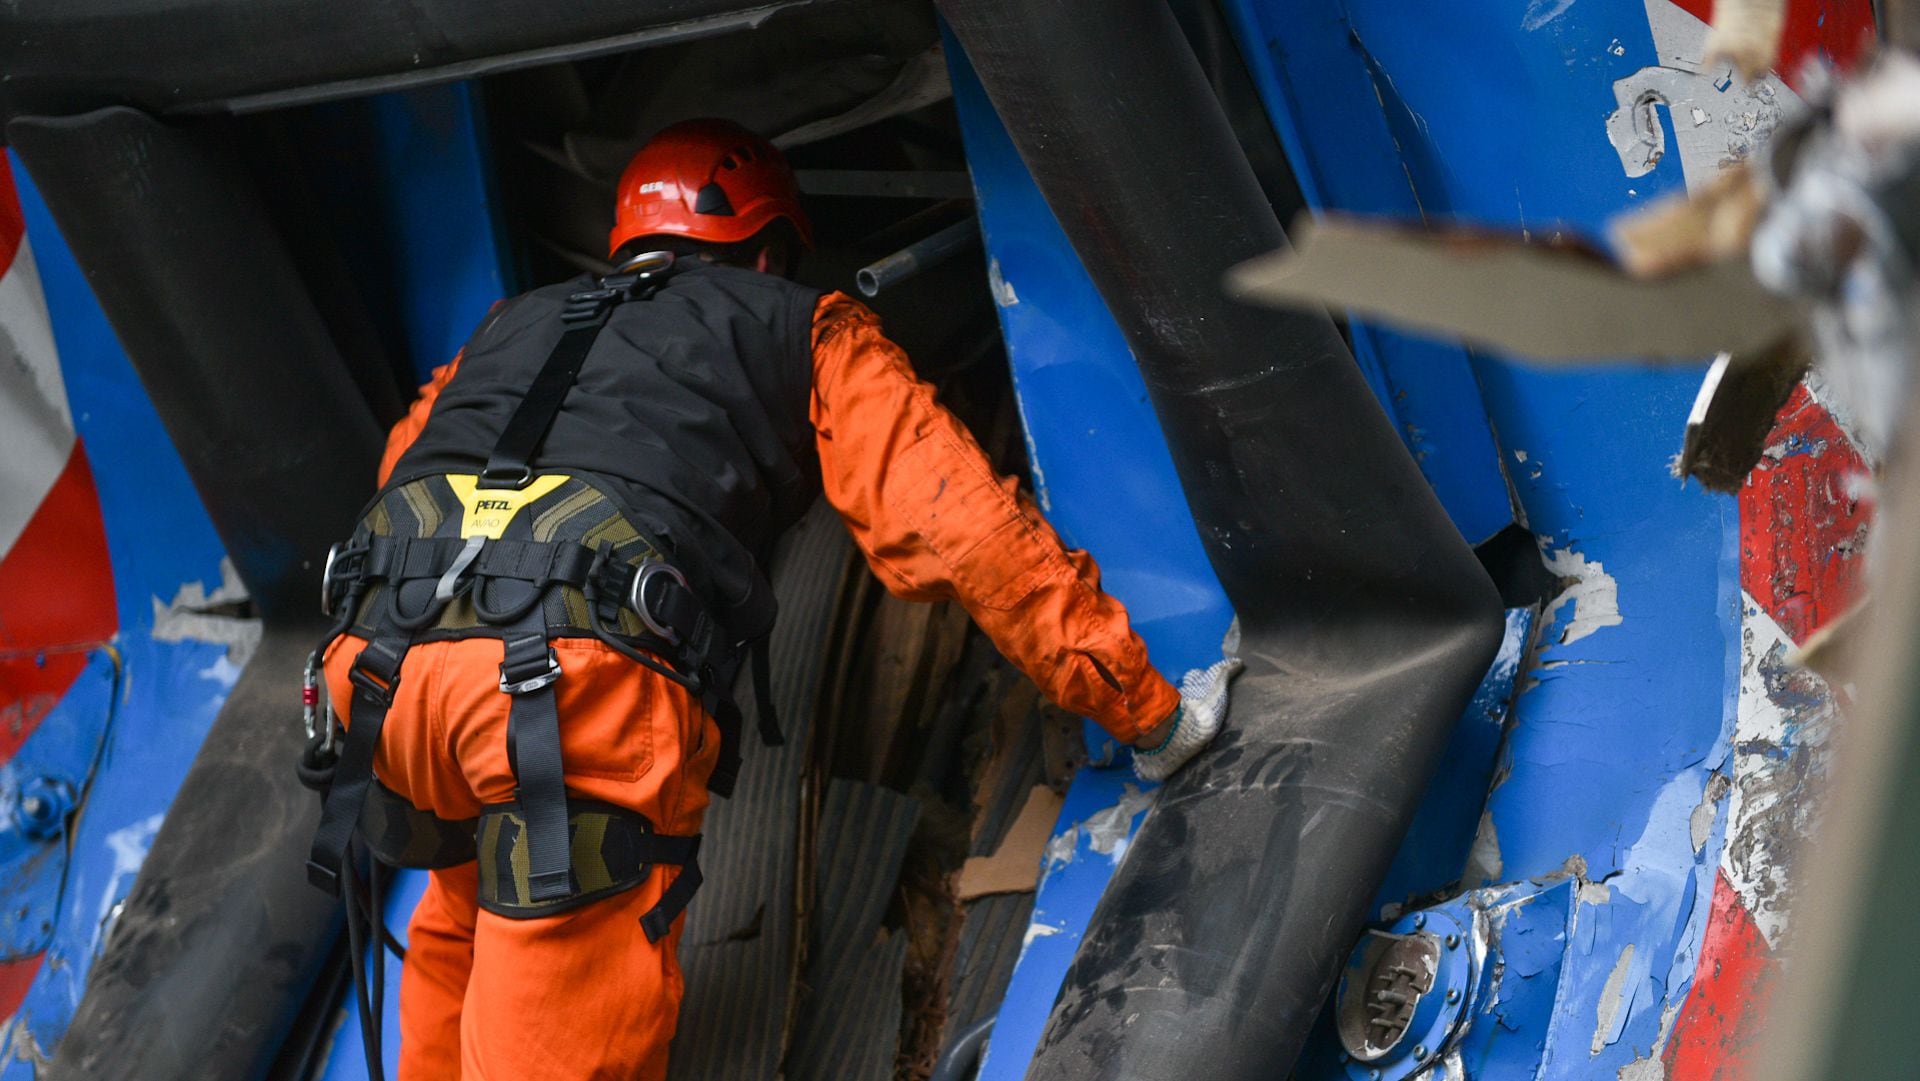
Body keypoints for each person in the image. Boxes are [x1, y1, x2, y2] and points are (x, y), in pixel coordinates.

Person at [303, 118, 1236, 1081]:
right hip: (558, 694)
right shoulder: (803, 326)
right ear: (770, 247)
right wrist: (1145, 707)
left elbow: (401, 476)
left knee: (460, 917)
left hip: (378, 673)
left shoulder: (504, 328)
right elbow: (965, 528)